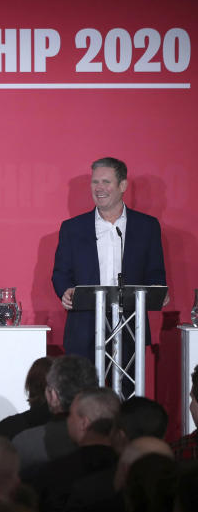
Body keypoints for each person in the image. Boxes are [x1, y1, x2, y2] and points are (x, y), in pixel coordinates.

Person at [52, 157, 167, 366]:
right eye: (95, 182)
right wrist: (66, 291)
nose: (99, 188)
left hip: (130, 325)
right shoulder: (72, 228)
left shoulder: (147, 226)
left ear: (123, 185)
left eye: (106, 182)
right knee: (84, 394)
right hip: (84, 326)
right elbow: (60, 273)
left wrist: (158, 290)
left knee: (126, 393)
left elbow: (155, 273)